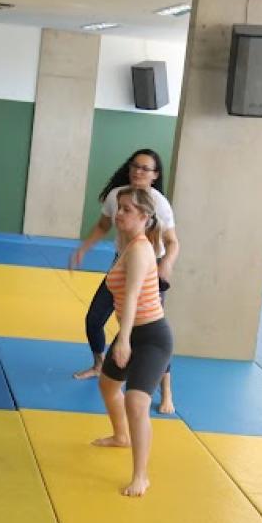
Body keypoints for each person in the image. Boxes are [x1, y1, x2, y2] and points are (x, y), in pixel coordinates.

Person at [68, 149, 180, 414]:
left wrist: (167, 264)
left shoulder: (159, 204)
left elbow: (173, 242)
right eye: (135, 166)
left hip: (150, 271)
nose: (138, 171)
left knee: (151, 331)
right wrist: (84, 248)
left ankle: (166, 391)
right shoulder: (116, 195)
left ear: (155, 175)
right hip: (122, 263)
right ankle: (99, 364)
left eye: (145, 168)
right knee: (94, 319)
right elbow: (103, 225)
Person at [92, 187, 174, 497]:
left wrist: (123, 340)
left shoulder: (140, 250)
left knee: (136, 401)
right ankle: (120, 436)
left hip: (151, 336)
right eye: (119, 208)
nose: (119, 214)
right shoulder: (128, 247)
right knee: (107, 385)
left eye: (126, 209)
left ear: (144, 216)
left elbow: (133, 296)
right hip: (133, 332)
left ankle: (141, 476)